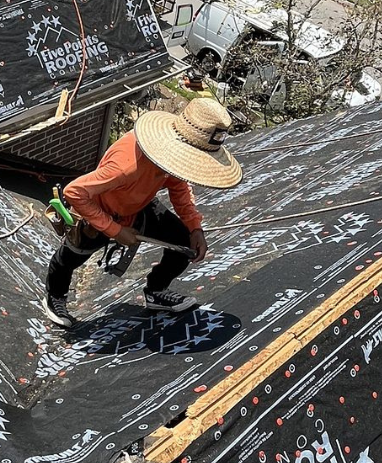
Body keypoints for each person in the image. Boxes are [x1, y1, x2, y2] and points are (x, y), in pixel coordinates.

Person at [42, 99, 243, 327]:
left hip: (138, 206)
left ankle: (156, 290)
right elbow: (75, 192)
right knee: (70, 258)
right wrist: (114, 230)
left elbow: (178, 187)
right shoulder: (126, 166)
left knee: (184, 241)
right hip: (101, 211)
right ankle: (55, 297)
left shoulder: (170, 157)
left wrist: (194, 227)